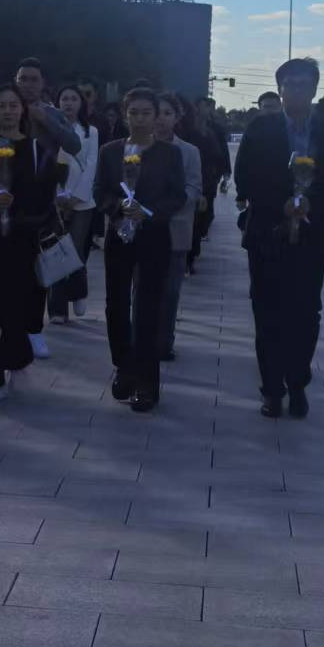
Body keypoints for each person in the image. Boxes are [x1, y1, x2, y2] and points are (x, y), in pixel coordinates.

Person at [234, 56, 324, 420]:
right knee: (267, 311)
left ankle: (298, 382)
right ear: (280, 90)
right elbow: (245, 176)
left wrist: (310, 201)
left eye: (304, 85)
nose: (297, 91)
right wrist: (282, 204)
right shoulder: (261, 128)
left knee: (305, 313)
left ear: (315, 89)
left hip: (313, 235)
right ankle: (272, 389)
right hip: (268, 233)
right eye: (290, 85)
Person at [0, 84, 60, 405]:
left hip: (22, 237)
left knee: (17, 303)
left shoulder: (36, 149)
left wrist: (16, 203)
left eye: (13, 105)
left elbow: (46, 195)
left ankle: (16, 358)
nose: (7, 111)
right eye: (1, 106)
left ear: (23, 110)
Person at [94, 87, 186, 413]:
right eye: (134, 112)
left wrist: (147, 212)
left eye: (147, 112)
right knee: (116, 304)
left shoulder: (169, 154)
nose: (140, 119)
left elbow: (177, 196)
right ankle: (124, 366)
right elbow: (100, 191)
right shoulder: (109, 151)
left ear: (157, 116)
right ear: (125, 115)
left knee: (148, 307)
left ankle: (147, 382)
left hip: (154, 235)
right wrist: (119, 206)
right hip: (119, 234)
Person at [48, 83, 101, 324]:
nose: (68, 103)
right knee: (56, 251)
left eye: (73, 99)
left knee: (76, 250)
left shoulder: (91, 132)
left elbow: (91, 165)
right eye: (64, 99)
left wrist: (77, 196)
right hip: (55, 200)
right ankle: (57, 309)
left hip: (82, 201)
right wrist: (57, 196)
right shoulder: (50, 128)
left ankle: (79, 291)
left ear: (81, 104)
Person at [156, 93, 202, 360]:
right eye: (157, 112)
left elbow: (194, 187)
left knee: (171, 290)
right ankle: (142, 337)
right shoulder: (136, 148)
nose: (161, 119)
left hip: (176, 227)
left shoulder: (189, 151)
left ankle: (165, 341)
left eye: (167, 113)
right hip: (144, 227)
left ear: (177, 117)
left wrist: (171, 205)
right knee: (142, 288)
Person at [188, 96, 233, 272]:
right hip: (191, 177)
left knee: (205, 215)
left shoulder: (214, 129)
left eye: (209, 107)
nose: (208, 110)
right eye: (204, 106)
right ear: (196, 108)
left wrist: (225, 171)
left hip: (209, 177)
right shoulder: (187, 129)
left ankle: (196, 244)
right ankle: (190, 256)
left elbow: (222, 151)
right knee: (193, 217)